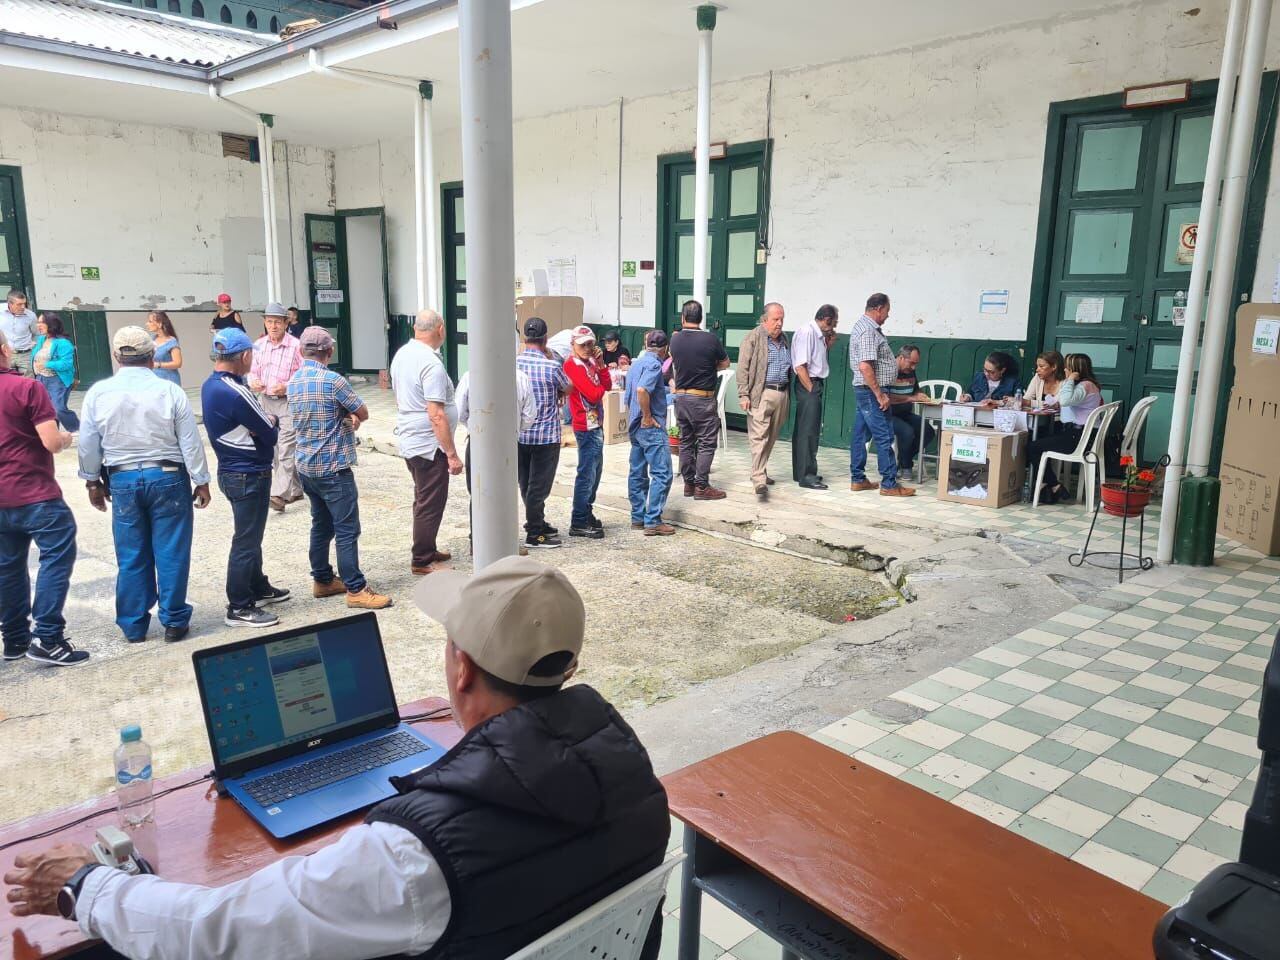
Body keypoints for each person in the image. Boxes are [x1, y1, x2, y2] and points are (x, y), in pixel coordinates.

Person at [4, 556, 671, 960]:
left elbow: (218, 933)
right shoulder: (631, 769)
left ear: (461, 670)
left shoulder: (415, 859)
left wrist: (85, 886)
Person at [77, 326, 212, 643]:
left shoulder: (98, 393)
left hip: (122, 478)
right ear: (152, 357)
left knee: (131, 554)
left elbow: (87, 444)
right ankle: (174, 620)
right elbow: (189, 442)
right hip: (167, 476)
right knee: (171, 550)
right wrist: (201, 480)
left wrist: (92, 482)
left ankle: (134, 625)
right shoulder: (170, 392)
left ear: (116, 357)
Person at [0, 329, 87, 666]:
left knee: (8, 569)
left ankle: (15, 640)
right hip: (34, 493)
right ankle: (47, 637)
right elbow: (51, 441)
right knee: (55, 557)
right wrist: (66, 438)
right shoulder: (26, 388)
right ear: (6, 350)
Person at [288, 326, 391, 610]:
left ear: (301, 351)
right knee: (347, 529)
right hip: (334, 467)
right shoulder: (333, 381)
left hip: (306, 465)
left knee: (320, 525)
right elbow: (363, 412)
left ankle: (322, 579)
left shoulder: (293, 381)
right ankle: (356, 588)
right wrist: (348, 417)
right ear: (329, 352)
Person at [201, 328, 291, 629]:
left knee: (251, 535)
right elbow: (270, 431)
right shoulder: (236, 392)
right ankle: (239, 605)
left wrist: (263, 424)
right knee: (246, 540)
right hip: (248, 473)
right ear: (245, 356)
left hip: (232, 470)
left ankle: (257, 585)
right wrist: (272, 421)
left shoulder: (211, 385)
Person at [390, 310, 463, 575]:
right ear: (440, 330)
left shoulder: (403, 354)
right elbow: (436, 414)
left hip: (412, 436)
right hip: (428, 444)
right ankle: (421, 559)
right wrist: (451, 453)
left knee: (424, 497)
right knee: (430, 501)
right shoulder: (430, 363)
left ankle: (427, 547)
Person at [456, 363, 537, 553]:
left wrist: (474, 427)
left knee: (477, 493)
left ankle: (477, 541)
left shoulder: (471, 375)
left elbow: (459, 411)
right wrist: (514, 429)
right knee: (506, 492)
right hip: (508, 441)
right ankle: (505, 541)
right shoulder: (521, 377)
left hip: (478, 439)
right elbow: (529, 415)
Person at [849, 293, 915, 497]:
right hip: (871, 391)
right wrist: (879, 394)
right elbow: (865, 366)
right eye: (887, 311)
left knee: (860, 436)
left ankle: (858, 479)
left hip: (865, 391)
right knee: (884, 436)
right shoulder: (868, 331)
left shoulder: (864, 327)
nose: (887, 315)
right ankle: (889, 483)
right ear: (878, 309)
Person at [516, 317, 570, 549]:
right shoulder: (552, 366)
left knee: (526, 483)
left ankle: (535, 521)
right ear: (546, 339)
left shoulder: (514, 364)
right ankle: (535, 534)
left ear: (524, 339)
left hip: (519, 434)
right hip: (546, 436)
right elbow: (568, 386)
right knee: (540, 486)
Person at [669, 299, 729, 500]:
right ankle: (702, 486)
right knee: (706, 442)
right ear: (701, 318)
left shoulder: (675, 339)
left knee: (686, 441)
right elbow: (725, 363)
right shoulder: (710, 339)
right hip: (702, 399)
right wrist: (709, 366)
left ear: (683, 317)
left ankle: (689, 484)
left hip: (681, 398)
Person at [249, 302, 304, 512]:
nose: (273, 326)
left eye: (277, 322)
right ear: (265, 322)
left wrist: (287, 386)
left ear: (285, 323)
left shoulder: (295, 346)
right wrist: (253, 381)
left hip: (288, 401)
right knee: (271, 447)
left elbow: (302, 376)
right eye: (269, 321)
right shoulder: (259, 345)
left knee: (286, 446)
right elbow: (252, 370)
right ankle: (296, 488)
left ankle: (278, 494)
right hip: (265, 400)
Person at [1028, 352, 1104, 505]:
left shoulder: (1086, 385)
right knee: (1038, 442)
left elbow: (1065, 399)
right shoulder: (1086, 385)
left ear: (1075, 370)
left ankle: (1050, 485)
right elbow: (1065, 401)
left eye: (1067, 368)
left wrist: (1070, 380)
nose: (1064, 371)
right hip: (1078, 434)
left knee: (1033, 447)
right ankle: (1051, 486)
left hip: (1078, 437)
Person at [736, 303, 793, 497]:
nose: (779, 323)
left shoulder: (784, 339)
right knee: (759, 438)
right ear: (765, 320)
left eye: (782, 319)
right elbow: (742, 368)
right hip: (761, 393)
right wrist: (743, 394)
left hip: (781, 393)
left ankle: (760, 470)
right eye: (775, 319)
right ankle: (758, 479)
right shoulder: (753, 338)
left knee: (771, 437)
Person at [563, 325, 612, 539]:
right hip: (585, 425)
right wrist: (600, 387)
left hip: (595, 424)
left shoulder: (590, 362)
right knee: (586, 473)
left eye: (590, 344)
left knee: (595, 472)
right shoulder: (572, 364)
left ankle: (586, 511)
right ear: (573, 345)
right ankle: (579, 519)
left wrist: (601, 366)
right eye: (582, 345)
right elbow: (594, 394)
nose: (587, 348)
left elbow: (607, 385)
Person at [625, 329, 675, 536]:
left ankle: (638, 516)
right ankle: (653, 520)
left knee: (637, 472)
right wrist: (647, 416)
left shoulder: (636, 363)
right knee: (662, 474)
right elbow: (642, 390)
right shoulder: (655, 364)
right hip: (649, 427)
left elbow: (634, 392)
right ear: (665, 349)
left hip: (635, 426)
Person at [791, 304, 837, 487]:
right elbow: (800, 366)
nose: (834, 327)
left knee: (808, 430)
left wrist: (828, 344)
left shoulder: (818, 335)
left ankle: (802, 472)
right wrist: (811, 389)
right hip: (808, 383)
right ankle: (806, 476)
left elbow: (816, 359)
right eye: (833, 323)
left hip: (813, 382)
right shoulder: (807, 332)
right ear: (827, 319)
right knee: (807, 432)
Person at [887, 344, 933, 474]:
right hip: (887, 414)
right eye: (911, 363)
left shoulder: (910, 371)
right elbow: (886, 396)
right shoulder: (889, 370)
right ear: (901, 358)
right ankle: (906, 466)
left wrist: (921, 395)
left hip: (905, 413)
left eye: (916, 364)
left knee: (928, 431)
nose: (914, 367)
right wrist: (910, 398)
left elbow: (915, 389)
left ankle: (903, 460)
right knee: (907, 432)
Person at [31, 313, 80, 432]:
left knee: (58, 409)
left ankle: (79, 428)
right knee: (45, 410)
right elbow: (36, 356)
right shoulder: (41, 339)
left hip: (57, 380)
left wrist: (47, 364)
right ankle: (53, 435)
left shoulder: (63, 343)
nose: (39, 325)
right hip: (41, 379)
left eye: (42, 322)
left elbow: (66, 364)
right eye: (38, 322)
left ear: (51, 324)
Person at [1, 289, 39, 377]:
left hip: (25, 355)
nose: (23, 307)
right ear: (10, 304)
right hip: (5, 354)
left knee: (28, 383)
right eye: (19, 304)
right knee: (5, 381)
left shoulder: (31, 315)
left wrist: (34, 347)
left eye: (24, 304)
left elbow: (37, 333)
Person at [146, 311, 183, 388]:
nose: (147, 324)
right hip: (155, 381)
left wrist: (158, 365)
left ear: (159, 324)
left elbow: (178, 363)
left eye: (150, 321)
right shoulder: (153, 339)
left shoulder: (171, 341)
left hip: (169, 381)